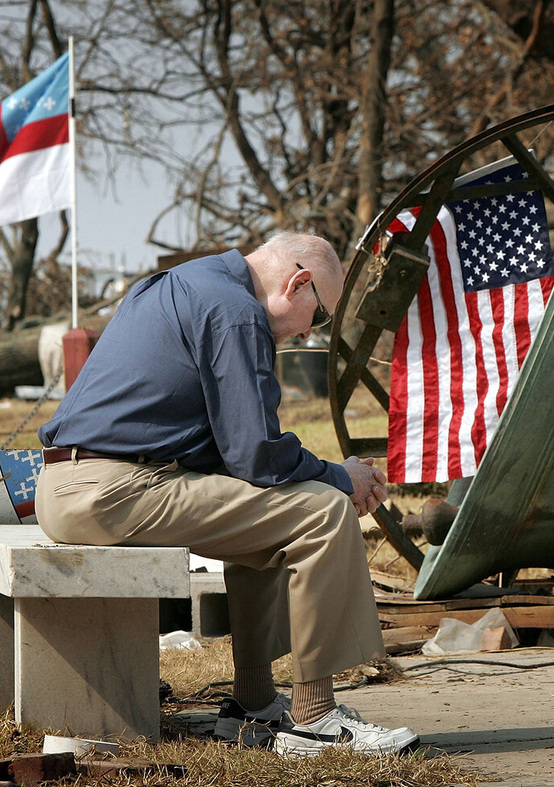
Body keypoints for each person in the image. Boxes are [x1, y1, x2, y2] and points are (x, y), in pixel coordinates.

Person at [35, 231, 418, 756]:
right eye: (321, 316)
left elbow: (237, 456)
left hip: (78, 484)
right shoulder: (235, 311)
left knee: (271, 516)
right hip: (111, 488)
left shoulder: (187, 281)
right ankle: (316, 720)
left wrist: (316, 472)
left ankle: (253, 707)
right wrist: (337, 478)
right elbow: (255, 452)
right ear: (298, 283)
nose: (309, 331)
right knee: (322, 511)